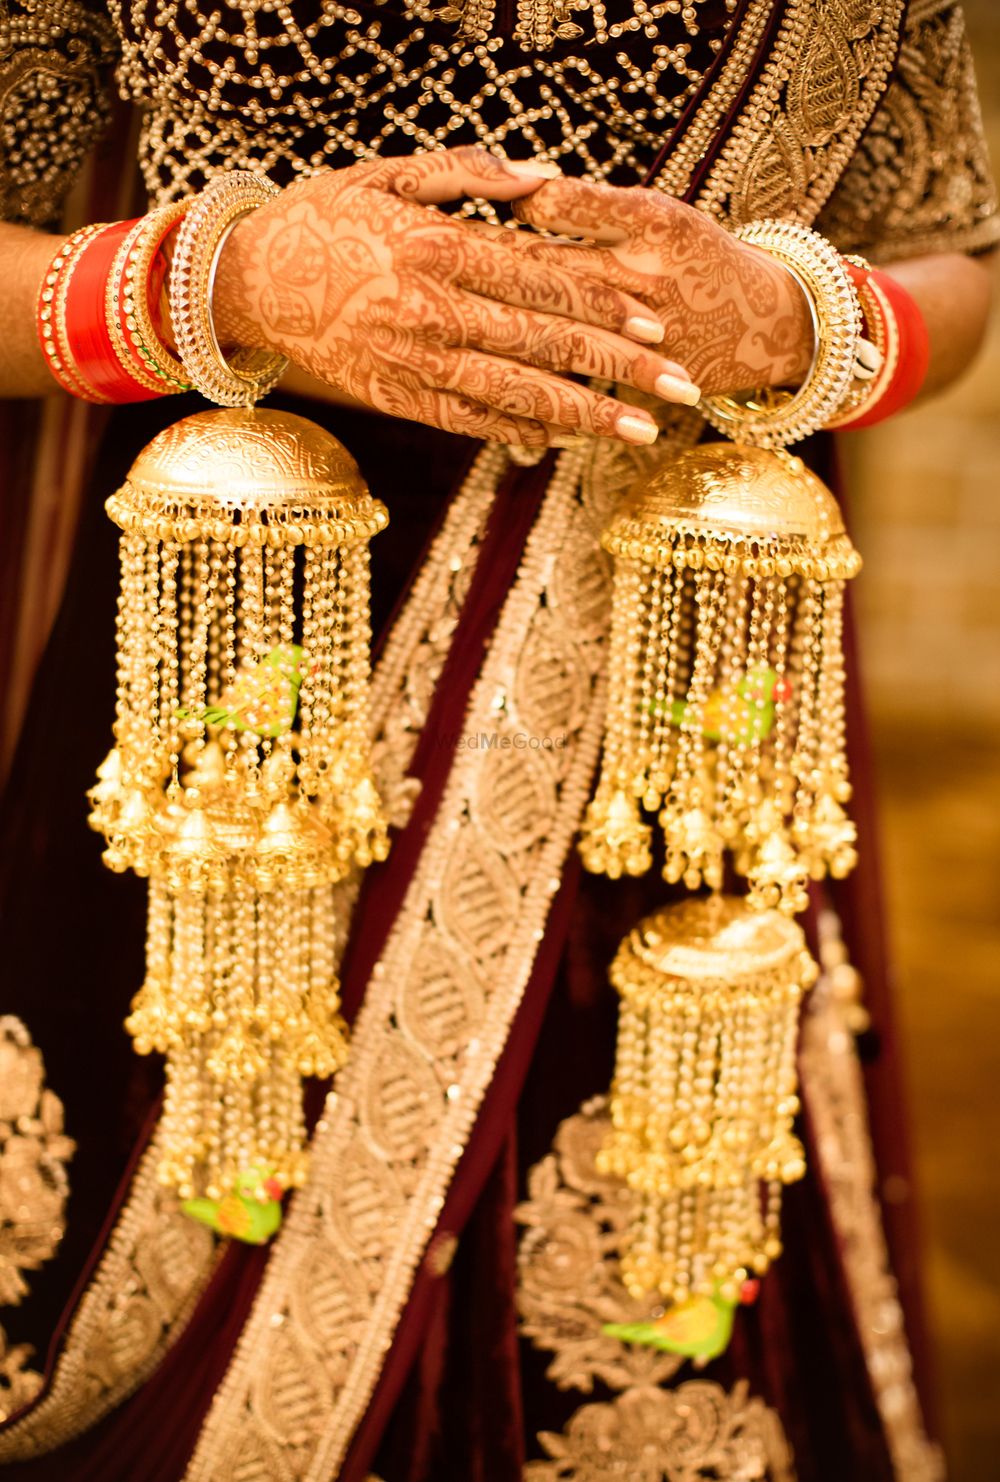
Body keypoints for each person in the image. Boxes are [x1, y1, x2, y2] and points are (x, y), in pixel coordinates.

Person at [0, 1, 995, 1477]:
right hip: (223, 689)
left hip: (666, 715)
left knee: (641, 1296)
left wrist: (793, 324)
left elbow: (952, 267)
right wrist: (230, 281)